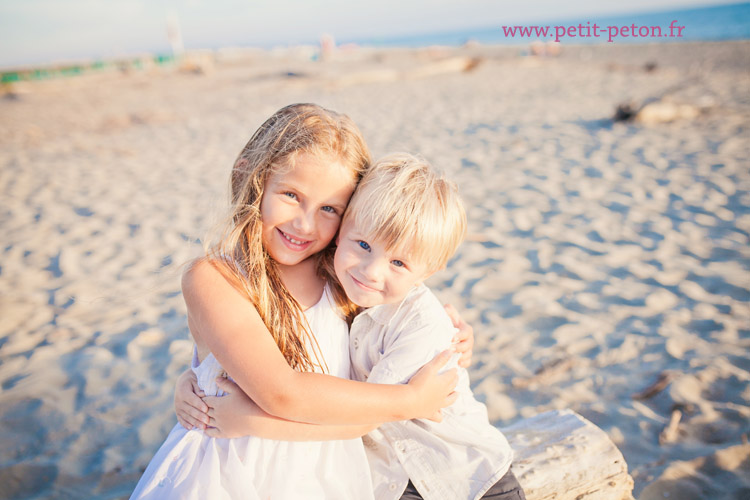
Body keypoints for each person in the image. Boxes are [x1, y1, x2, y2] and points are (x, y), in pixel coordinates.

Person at [131, 104, 469, 500]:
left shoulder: (342, 274)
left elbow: (403, 323)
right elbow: (282, 392)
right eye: (291, 195)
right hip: (232, 476)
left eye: (329, 209)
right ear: (250, 177)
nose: (305, 225)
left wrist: (451, 337)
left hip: (330, 475)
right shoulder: (215, 278)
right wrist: (410, 401)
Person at [201, 154, 524, 500]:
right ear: (341, 234)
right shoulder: (345, 290)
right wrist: (193, 378)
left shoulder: (421, 325)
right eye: (364, 245)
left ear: (428, 271)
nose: (371, 271)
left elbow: (368, 418)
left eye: (398, 262)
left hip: (470, 480)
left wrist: (249, 422)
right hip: (396, 481)